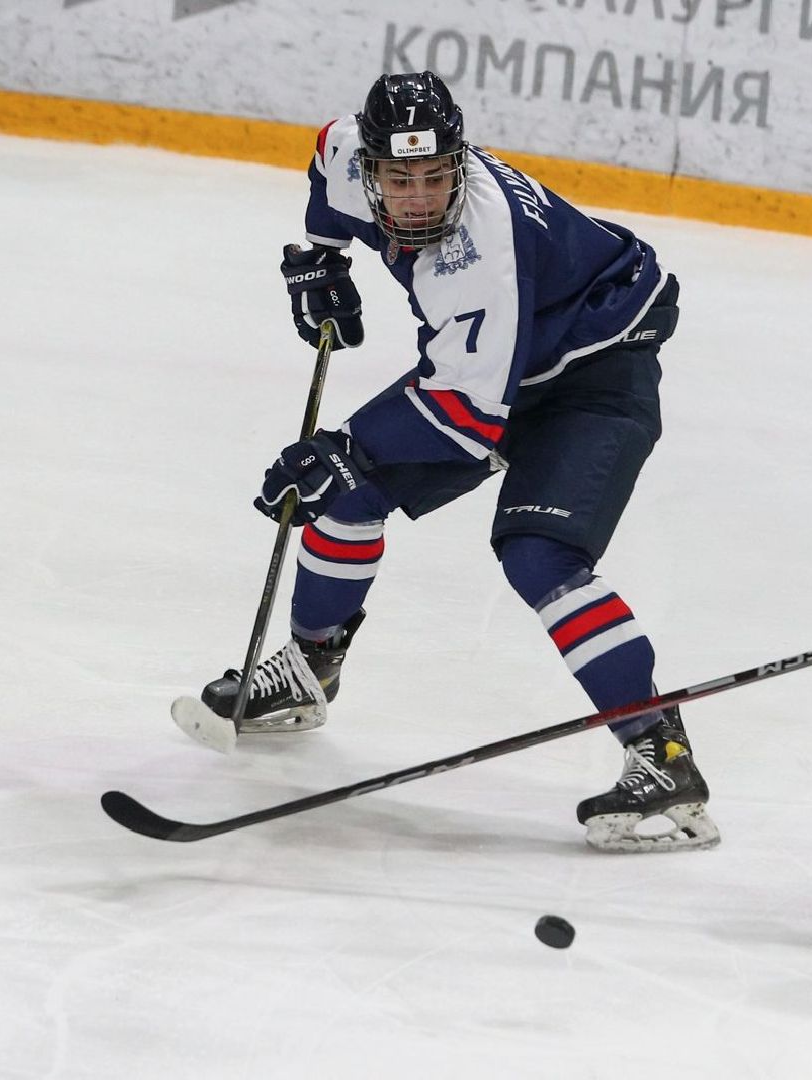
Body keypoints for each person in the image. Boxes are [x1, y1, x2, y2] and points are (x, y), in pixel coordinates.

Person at [196, 70, 717, 853]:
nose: (417, 198)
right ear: (371, 167)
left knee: (540, 555)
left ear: (459, 163)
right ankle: (309, 670)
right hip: (502, 357)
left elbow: (470, 418)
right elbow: (322, 165)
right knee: (346, 493)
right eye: (399, 178)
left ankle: (662, 757)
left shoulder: (480, 252)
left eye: (436, 177)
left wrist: (345, 449)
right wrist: (321, 258)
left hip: (596, 371)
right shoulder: (350, 150)